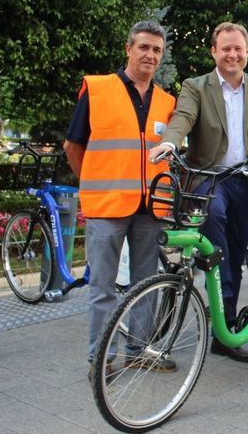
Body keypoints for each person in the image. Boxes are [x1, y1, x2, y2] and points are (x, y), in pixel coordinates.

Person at [148, 22, 248, 363]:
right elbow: (183, 117)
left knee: (234, 256)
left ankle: (225, 332)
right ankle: (212, 280)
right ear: (214, 52)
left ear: (247, 52)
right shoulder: (197, 86)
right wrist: (169, 142)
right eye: (226, 49)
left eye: (238, 49)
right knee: (218, 238)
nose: (232, 54)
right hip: (209, 180)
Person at [63, 21, 176, 378]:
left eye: (156, 50)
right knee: (103, 287)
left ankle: (139, 351)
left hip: (150, 208)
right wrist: (92, 181)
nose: (150, 55)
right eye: (143, 47)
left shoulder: (167, 102)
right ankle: (101, 359)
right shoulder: (97, 89)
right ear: (128, 49)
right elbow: (73, 145)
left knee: (147, 285)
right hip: (107, 206)